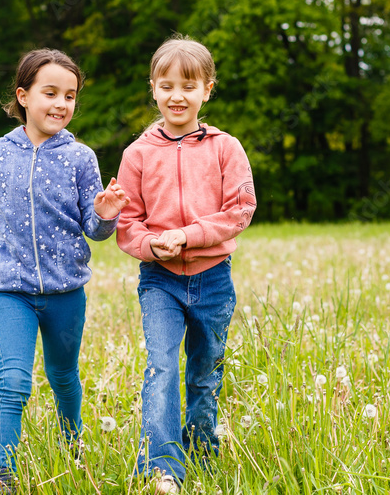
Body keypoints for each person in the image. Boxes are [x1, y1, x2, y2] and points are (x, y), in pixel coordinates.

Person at [0, 48, 130, 494]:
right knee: (12, 381)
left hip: (66, 293)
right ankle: (3, 476)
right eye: (50, 93)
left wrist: (105, 214)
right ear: (23, 96)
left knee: (64, 376)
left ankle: (72, 448)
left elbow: (94, 229)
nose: (61, 104)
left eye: (70, 95)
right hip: (11, 291)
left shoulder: (81, 157)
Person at [116, 36, 257, 494]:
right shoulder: (138, 154)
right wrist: (150, 245)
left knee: (205, 371)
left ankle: (201, 450)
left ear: (207, 90)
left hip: (213, 279)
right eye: (167, 86)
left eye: (188, 86)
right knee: (161, 366)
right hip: (160, 280)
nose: (177, 96)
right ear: (153, 89)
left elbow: (240, 210)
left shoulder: (225, 148)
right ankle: (162, 468)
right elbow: (127, 223)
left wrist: (189, 235)